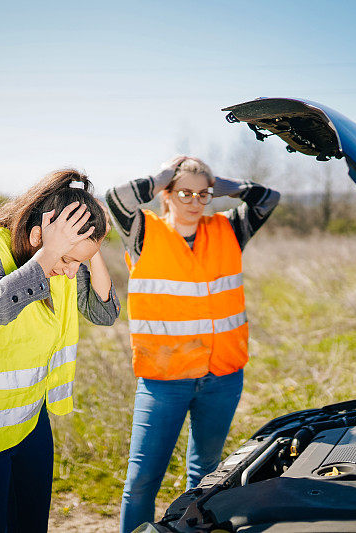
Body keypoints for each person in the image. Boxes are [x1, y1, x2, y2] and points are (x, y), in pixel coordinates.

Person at [0, 170, 120, 533]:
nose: (69, 272)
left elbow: (105, 312)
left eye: (78, 262)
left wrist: (92, 247)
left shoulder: (63, 259)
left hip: (29, 423)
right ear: (37, 236)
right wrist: (51, 254)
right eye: (69, 260)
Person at [106, 156, 280, 533]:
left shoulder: (229, 228)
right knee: (141, 483)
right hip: (164, 379)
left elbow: (268, 198)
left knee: (206, 476)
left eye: (204, 194)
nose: (195, 201)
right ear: (165, 195)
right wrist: (162, 176)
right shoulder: (143, 232)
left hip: (222, 375)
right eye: (184, 192)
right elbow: (116, 199)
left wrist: (229, 186)